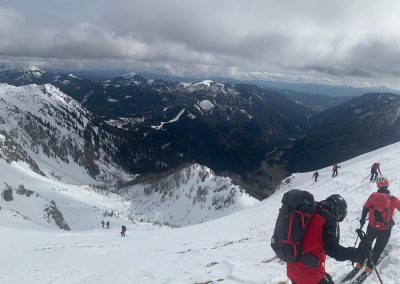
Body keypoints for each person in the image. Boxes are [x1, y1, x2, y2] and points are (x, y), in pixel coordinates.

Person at [287, 194, 368, 284]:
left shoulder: (309, 211)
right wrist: (356, 254)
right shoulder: (328, 219)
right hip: (309, 275)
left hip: (292, 267)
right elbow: (333, 250)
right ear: (338, 212)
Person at [354, 176, 400, 273]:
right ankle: (369, 266)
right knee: (378, 248)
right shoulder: (393, 199)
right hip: (385, 230)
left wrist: (362, 220)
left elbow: (365, 208)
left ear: (378, 186)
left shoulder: (372, 196)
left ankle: (359, 262)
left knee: (365, 244)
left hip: (371, 227)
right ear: (387, 185)